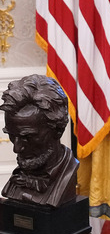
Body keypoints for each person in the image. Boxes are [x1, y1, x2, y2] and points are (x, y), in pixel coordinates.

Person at [1, 75, 79, 207]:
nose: (17, 148)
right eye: (12, 135)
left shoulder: (67, 173)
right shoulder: (16, 179)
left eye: (28, 137)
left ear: (58, 130)